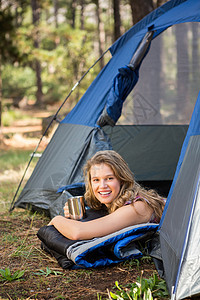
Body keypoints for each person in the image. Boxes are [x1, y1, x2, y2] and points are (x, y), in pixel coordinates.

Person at [48, 150, 165, 240]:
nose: (102, 186)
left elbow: (78, 233)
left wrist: (57, 219)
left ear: (122, 179)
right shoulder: (115, 201)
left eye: (109, 178)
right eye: (96, 180)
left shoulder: (137, 208)